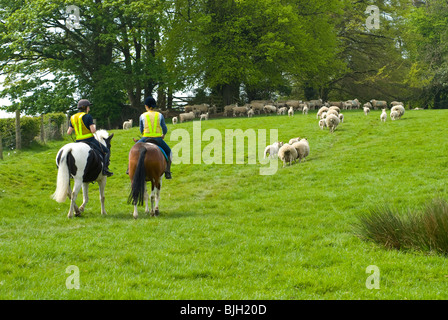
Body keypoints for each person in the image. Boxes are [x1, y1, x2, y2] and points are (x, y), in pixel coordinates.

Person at [67, 99, 114, 177]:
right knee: (106, 151)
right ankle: (105, 169)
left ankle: (71, 173)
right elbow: (93, 131)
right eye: (88, 107)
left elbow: (68, 132)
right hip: (89, 140)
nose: (89, 109)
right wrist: (94, 127)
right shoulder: (87, 116)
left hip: (78, 141)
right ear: (84, 107)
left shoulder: (72, 117)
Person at [136, 96, 172, 179]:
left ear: (146, 106)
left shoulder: (142, 116)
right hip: (158, 139)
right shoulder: (160, 115)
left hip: (145, 138)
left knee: (133, 150)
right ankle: (167, 171)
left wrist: (144, 133)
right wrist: (163, 134)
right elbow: (164, 128)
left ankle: (129, 169)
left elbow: (141, 129)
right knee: (169, 152)